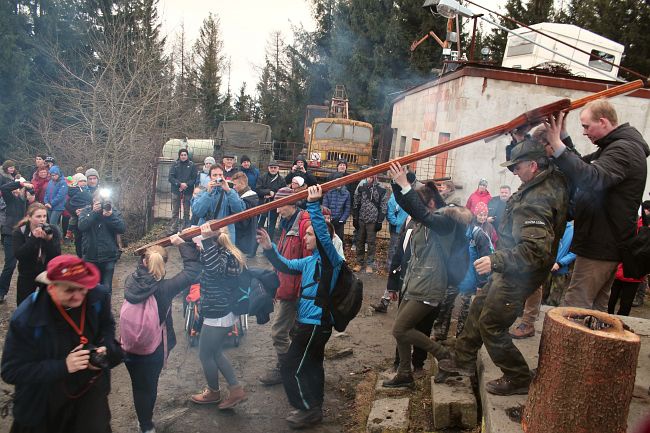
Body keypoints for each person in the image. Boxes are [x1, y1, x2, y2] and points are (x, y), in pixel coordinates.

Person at [439, 136, 569, 396]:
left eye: (516, 167)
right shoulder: (550, 177)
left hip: (519, 273)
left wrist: (495, 260)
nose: (514, 173)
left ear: (533, 165)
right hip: (510, 267)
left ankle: (517, 376)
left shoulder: (536, 201)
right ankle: (463, 357)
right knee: (479, 304)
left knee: (492, 325)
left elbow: (534, 251)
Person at [545, 100, 650, 311]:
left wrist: (556, 145)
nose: (584, 132)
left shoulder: (623, 150)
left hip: (600, 245)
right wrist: (563, 138)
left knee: (576, 307)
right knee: (596, 309)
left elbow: (591, 177)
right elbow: (583, 165)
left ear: (602, 122)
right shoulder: (615, 147)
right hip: (604, 243)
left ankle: (571, 345)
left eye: (586, 126)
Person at [1, 254, 121, 433]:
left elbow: (107, 327)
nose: (78, 295)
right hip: (44, 405)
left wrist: (106, 348)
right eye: (69, 290)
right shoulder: (26, 318)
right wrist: (63, 366)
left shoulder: (98, 296)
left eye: (82, 289)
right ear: (51, 288)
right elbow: (11, 371)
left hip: (89, 399)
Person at [257, 185, 343, 429]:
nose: (305, 239)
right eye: (305, 235)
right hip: (309, 323)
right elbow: (285, 265)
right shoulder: (310, 260)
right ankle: (315, 405)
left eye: (309, 235)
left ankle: (306, 409)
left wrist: (314, 205)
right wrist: (268, 248)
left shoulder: (330, 261)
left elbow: (323, 236)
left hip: (316, 323)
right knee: (314, 365)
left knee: (290, 366)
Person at [382, 162, 472, 389]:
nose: (415, 212)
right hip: (415, 282)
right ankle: (404, 373)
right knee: (401, 332)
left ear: (431, 203)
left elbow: (420, 210)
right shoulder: (426, 219)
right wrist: (398, 181)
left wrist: (406, 186)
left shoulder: (445, 221)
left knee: (400, 329)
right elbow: (409, 204)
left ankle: (443, 356)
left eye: (421, 206)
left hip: (431, 284)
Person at [123, 234, 201, 433]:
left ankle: (142, 422)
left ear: (143, 261)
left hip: (129, 347)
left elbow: (142, 267)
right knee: (150, 386)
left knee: (138, 386)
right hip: (153, 349)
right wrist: (182, 245)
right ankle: (147, 426)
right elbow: (192, 271)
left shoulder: (130, 281)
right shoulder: (165, 289)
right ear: (163, 264)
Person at [190, 223, 247, 410]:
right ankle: (235, 389)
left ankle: (213, 392)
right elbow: (204, 263)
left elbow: (214, 271)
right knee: (215, 352)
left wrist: (206, 241)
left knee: (205, 354)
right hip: (222, 311)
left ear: (211, 241)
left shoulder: (222, 255)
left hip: (218, 313)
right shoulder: (222, 251)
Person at [258, 186, 311, 386]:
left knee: (279, 332)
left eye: (280, 206)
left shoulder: (304, 226)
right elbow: (283, 258)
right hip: (288, 288)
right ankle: (296, 367)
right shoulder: (288, 223)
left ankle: (286, 370)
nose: (277, 211)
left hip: (298, 292)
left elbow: (308, 263)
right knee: (293, 332)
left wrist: (303, 294)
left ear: (292, 204)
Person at [13, 202, 62, 304]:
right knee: (23, 303)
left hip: (47, 271)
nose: (42, 219)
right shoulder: (20, 231)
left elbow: (57, 255)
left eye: (44, 216)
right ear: (29, 217)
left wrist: (49, 240)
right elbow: (19, 255)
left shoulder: (52, 230)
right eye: (38, 216)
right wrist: (33, 239)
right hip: (27, 272)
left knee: (49, 304)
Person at [78, 190, 126, 292]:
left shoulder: (113, 212)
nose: (99, 205)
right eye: (97, 202)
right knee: (91, 287)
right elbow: (81, 226)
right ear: (92, 201)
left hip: (108, 256)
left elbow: (122, 228)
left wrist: (110, 216)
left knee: (106, 288)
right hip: (90, 255)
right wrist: (93, 213)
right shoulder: (87, 211)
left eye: (101, 202)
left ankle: (106, 307)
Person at [191, 164, 245, 242]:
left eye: (220, 175)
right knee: (206, 253)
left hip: (225, 233)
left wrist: (228, 190)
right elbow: (197, 212)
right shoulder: (203, 193)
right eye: (214, 175)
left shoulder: (230, 192)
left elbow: (240, 210)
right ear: (210, 177)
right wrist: (208, 193)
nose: (217, 178)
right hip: (206, 231)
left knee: (225, 253)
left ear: (223, 176)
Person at [0, 178, 31, 303]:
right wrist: (20, 183)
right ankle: (1, 291)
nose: (20, 191)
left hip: (26, 236)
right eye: (18, 189)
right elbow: (4, 188)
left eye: (22, 189)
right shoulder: (11, 199)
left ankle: (30, 294)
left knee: (29, 266)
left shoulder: (29, 203)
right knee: (10, 264)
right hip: (11, 235)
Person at [352, 171, 388, 273]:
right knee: (360, 241)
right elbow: (356, 202)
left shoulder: (381, 189)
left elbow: (383, 205)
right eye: (369, 175)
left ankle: (369, 264)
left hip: (373, 220)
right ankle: (359, 262)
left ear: (376, 176)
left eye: (372, 175)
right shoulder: (361, 187)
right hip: (361, 219)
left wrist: (380, 221)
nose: (370, 177)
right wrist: (355, 218)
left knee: (371, 243)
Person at [168, 148, 196, 232]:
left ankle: (186, 228)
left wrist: (186, 185)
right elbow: (171, 178)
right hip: (176, 190)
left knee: (186, 210)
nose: (183, 156)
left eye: (185, 155)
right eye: (181, 155)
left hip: (188, 191)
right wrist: (179, 184)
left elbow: (194, 178)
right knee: (175, 211)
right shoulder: (175, 165)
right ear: (179, 156)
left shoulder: (192, 165)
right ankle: (174, 228)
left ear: (187, 156)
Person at [231, 171, 259, 257]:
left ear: (242, 183)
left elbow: (243, 221)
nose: (234, 187)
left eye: (235, 185)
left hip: (243, 237)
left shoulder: (249, 199)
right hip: (244, 236)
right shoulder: (246, 197)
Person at [256, 160, 285, 241]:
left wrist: (274, 194)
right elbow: (258, 189)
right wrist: (268, 191)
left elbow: (283, 192)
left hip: (274, 206)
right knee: (259, 226)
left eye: (275, 168)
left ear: (278, 169)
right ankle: (254, 249)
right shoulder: (262, 177)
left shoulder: (281, 180)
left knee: (271, 227)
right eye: (271, 167)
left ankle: (269, 248)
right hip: (263, 205)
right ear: (268, 168)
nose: (273, 169)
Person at [66, 173, 93, 257]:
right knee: (79, 238)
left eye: (85, 181)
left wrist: (86, 210)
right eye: (81, 181)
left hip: (89, 216)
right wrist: (76, 211)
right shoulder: (73, 191)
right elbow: (67, 204)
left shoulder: (90, 190)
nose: (84, 183)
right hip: (78, 218)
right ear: (77, 182)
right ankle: (80, 255)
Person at [322, 173, 351, 245]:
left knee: (339, 239)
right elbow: (325, 205)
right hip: (329, 220)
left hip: (340, 221)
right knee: (327, 238)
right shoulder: (328, 191)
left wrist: (342, 220)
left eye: (340, 181)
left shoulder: (346, 193)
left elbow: (347, 208)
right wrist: (328, 217)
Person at [44, 165, 68, 232]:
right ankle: (52, 237)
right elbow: (46, 193)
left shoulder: (63, 182)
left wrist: (51, 203)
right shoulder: (50, 182)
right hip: (49, 206)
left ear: (58, 174)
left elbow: (61, 195)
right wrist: (46, 202)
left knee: (53, 224)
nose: (53, 177)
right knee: (50, 224)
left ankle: (58, 237)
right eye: (52, 175)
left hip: (58, 206)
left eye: (55, 175)